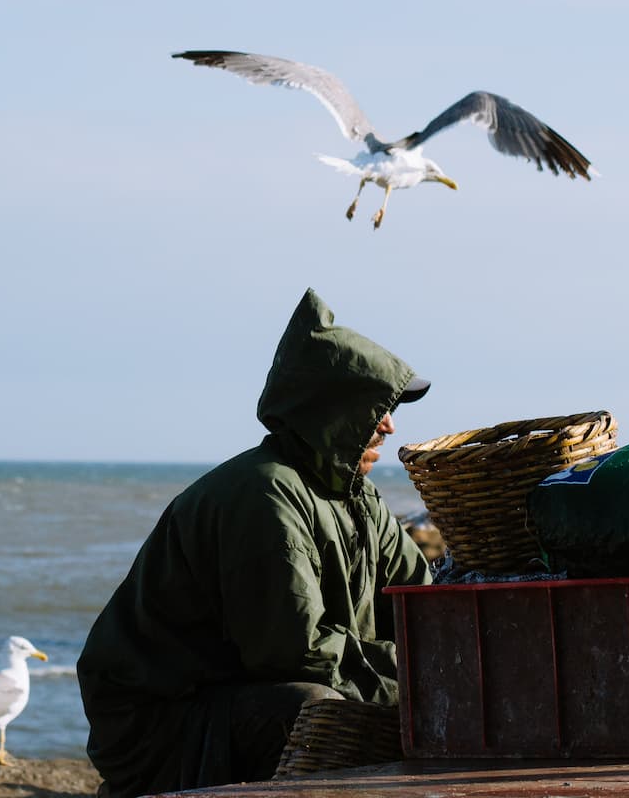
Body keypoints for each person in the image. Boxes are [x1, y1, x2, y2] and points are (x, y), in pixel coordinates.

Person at [77, 288, 433, 794]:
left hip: (233, 692)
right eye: (377, 408)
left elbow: (424, 606)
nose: (390, 426)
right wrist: (417, 674)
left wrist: (453, 658)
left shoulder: (358, 497)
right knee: (315, 709)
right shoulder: (266, 495)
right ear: (332, 411)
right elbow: (294, 650)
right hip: (161, 722)